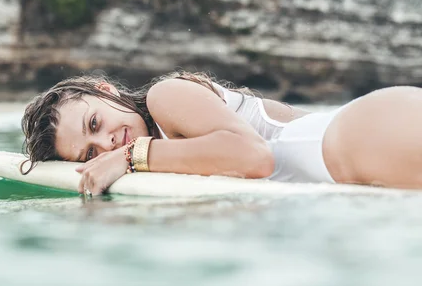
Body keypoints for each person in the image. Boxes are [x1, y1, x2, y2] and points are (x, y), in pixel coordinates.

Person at [22, 71, 422, 196]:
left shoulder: (166, 96)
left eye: (95, 123)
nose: (105, 142)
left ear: (105, 91)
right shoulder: (167, 152)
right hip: (363, 155)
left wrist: (129, 158)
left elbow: (254, 158)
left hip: (363, 136)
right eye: (90, 153)